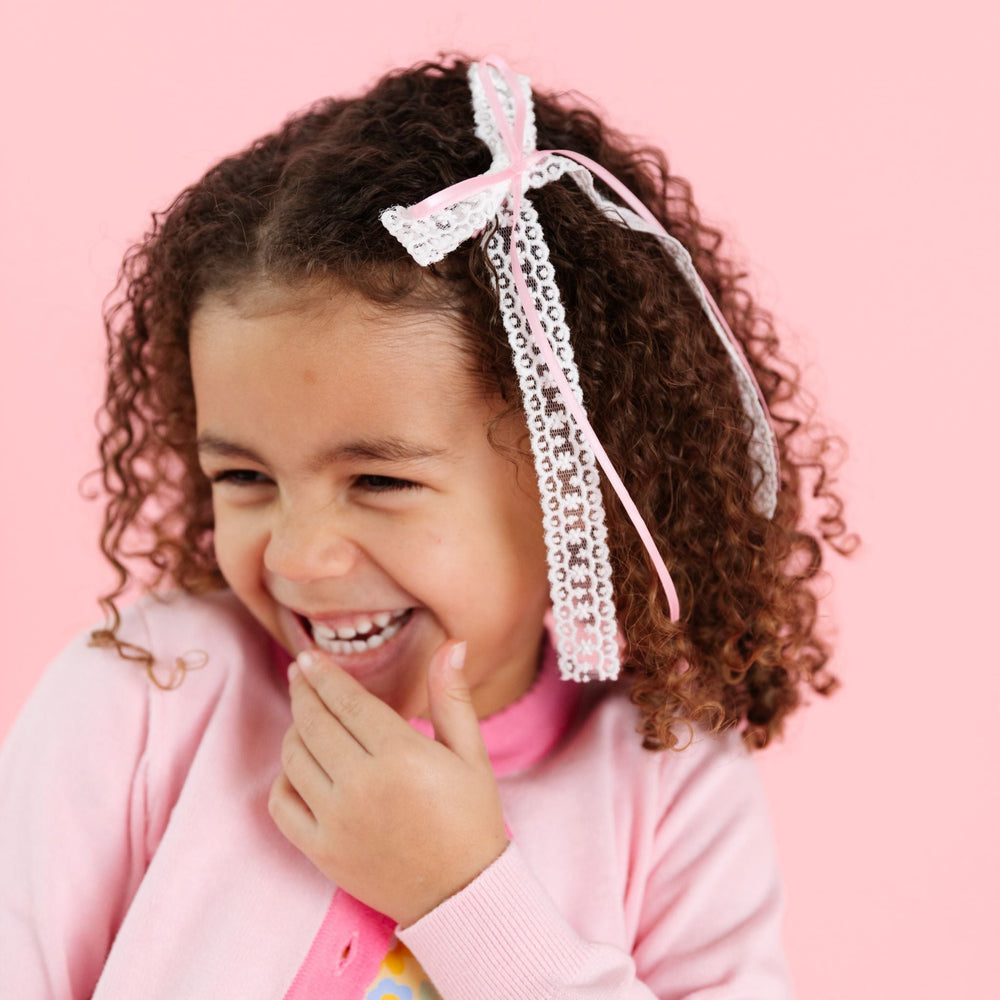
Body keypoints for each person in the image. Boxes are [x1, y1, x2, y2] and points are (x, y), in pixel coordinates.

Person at [0, 55, 855, 998]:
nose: (297, 557)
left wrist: (464, 895)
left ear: (574, 479)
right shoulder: (140, 700)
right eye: (242, 476)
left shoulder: (667, 781)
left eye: (377, 480)